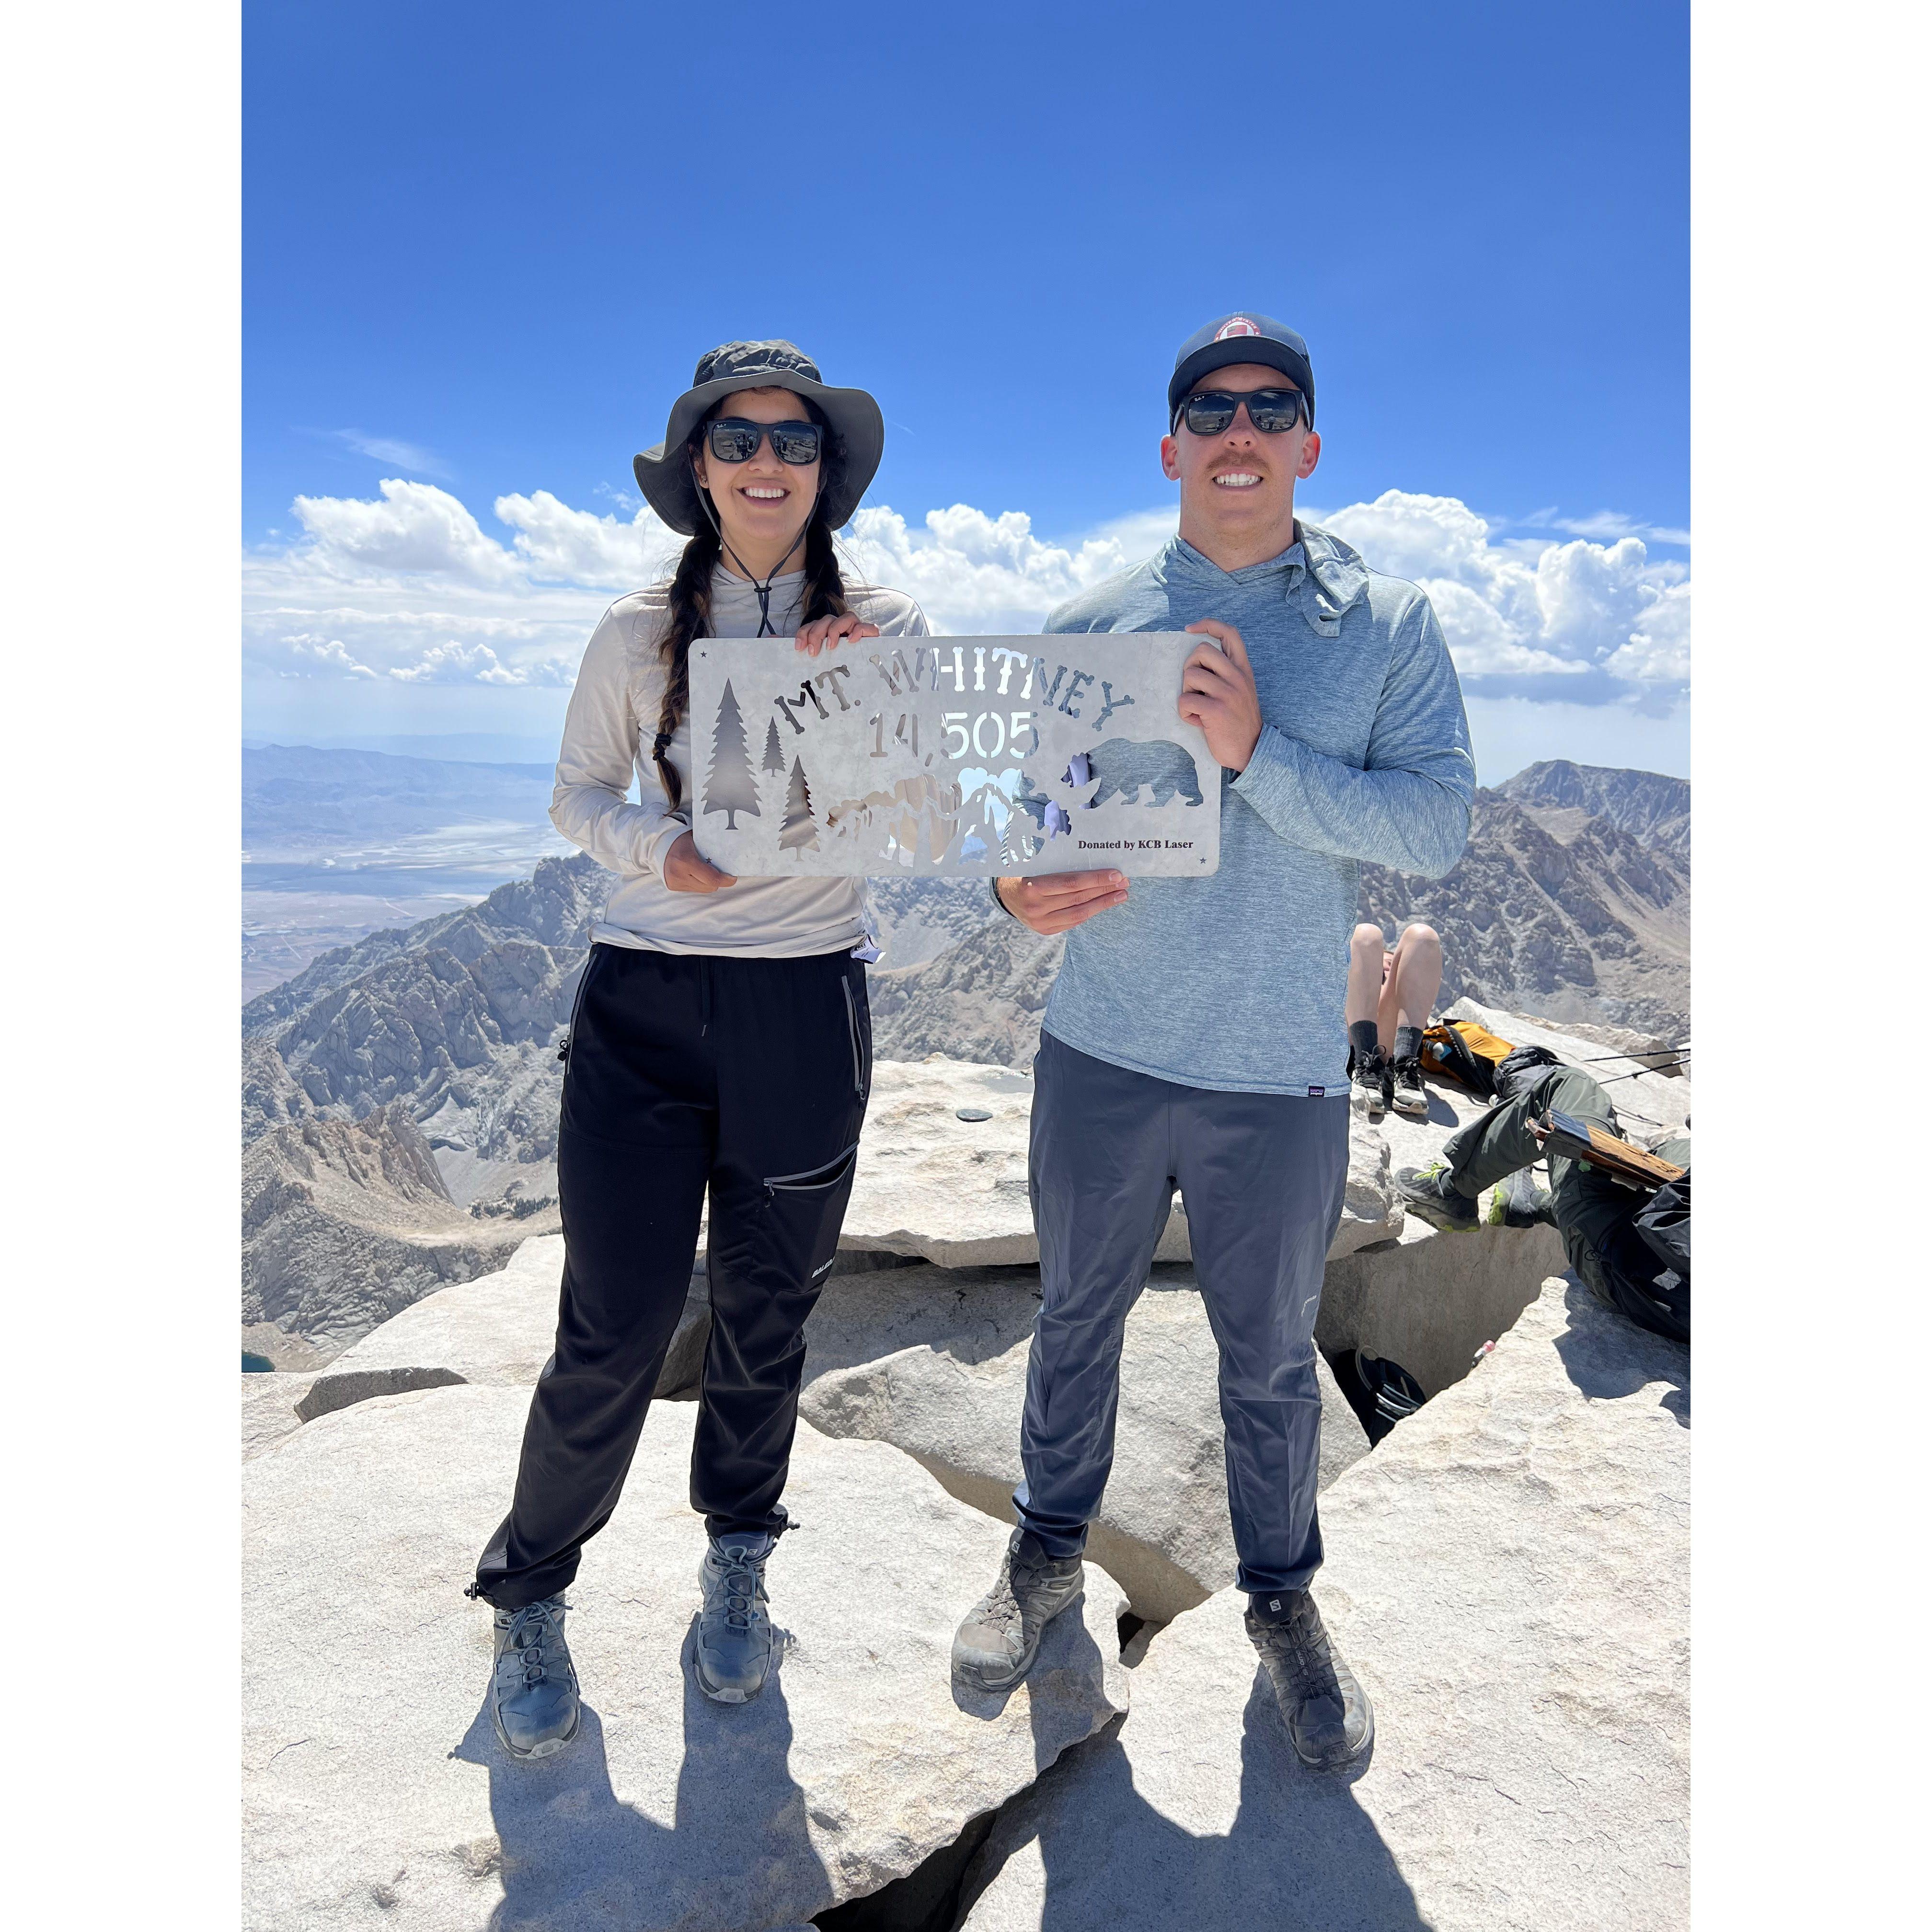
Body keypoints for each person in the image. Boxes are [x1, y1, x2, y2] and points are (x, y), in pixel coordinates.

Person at [951, 313, 1475, 1770]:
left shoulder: (1384, 627)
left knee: (1267, 1362)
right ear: (1171, 442)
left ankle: (1284, 1603)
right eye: (1210, 406)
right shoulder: (1097, 614)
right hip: (1105, 1047)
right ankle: (1045, 1560)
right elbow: (1026, 810)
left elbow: (1437, 823)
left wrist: (1265, 757)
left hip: (1279, 1069)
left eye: (1272, 405)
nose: (1239, 429)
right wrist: (1014, 881)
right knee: (1075, 1327)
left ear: (1309, 443)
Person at [468, 340, 930, 1760]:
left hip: (804, 1002)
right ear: (701, 467)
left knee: (764, 1315)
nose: (768, 461)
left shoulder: (889, 627)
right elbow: (575, 794)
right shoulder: (633, 633)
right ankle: (531, 1590)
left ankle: (738, 1563)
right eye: (740, 439)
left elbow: (920, 819)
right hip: (648, 1000)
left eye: (794, 440)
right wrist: (655, 851)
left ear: (825, 470)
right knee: (610, 1324)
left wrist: (868, 709)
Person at [1395, 1057, 1691, 1345]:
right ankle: (1533, 1203)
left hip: (1615, 1262)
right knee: (1679, 1149)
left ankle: (1452, 1193)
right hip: (1659, 1275)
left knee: (1568, 1085)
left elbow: (1668, 1229)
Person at [1346, 920, 1442, 1120]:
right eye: (1382, 964)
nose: (1387, 972)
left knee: (1423, 936)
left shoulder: (1398, 992)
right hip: (1348, 1044)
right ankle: (1365, 1066)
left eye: (1392, 965)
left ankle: (1404, 1066)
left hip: (1390, 1049)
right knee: (1365, 934)